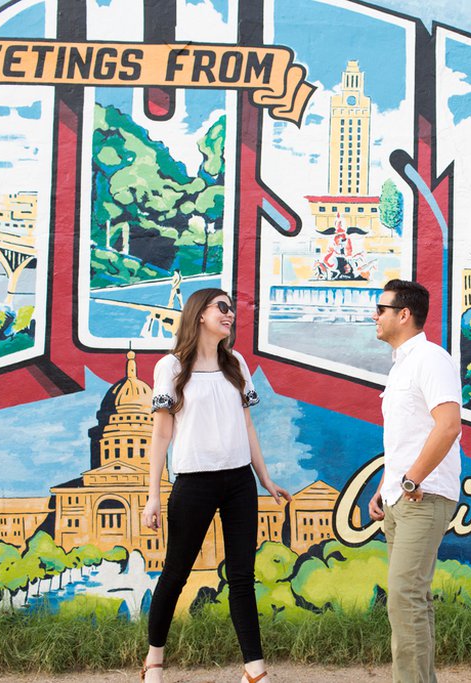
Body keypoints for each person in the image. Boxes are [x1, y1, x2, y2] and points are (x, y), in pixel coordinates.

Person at [141, 288, 291, 683]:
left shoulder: (236, 363)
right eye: (222, 307)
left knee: (242, 574)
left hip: (239, 480)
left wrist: (265, 478)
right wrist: (153, 495)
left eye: (231, 309)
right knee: (176, 572)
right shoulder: (171, 368)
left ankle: (254, 670)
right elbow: (160, 436)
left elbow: (247, 426)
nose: (230, 315)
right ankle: (154, 659)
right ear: (199, 314)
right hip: (193, 482)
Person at [368, 279, 462, 683]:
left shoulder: (430, 358)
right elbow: (409, 435)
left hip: (422, 497)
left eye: (381, 308)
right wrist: (386, 486)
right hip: (401, 498)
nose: (375, 315)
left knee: (404, 600)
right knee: (414, 600)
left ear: (403, 315)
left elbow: (448, 426)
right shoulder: (402, 365)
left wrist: (409, 482)